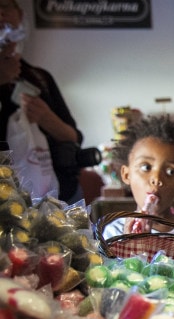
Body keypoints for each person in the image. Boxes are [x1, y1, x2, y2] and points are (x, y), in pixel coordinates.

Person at [0, 0, 87, 204]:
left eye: (5, 6)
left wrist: (47, 119)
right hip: (8, 207)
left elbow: (75, 138)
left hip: (62, 196)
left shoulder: (40, 78)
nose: (1, 14)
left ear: (20, 16)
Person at [102, 115, 174, 239]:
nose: (157, 179)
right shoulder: (114, 232)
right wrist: (130, 244)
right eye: (146, 168)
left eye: (171, 172)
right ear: (127, 175)